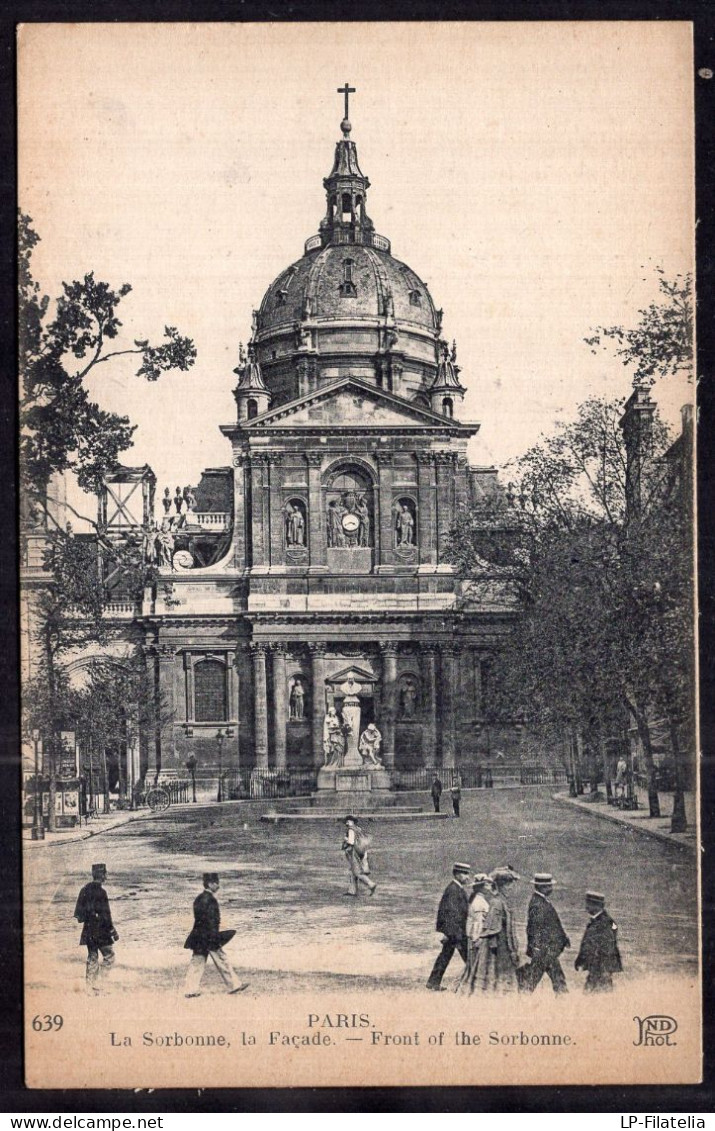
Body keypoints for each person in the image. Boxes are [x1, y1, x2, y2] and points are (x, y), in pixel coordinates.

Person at [183, 873, 248, 997]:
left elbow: (199, 920)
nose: (218, 885)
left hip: (198, 936)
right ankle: (234, 985)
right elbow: (212, 921)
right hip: (209, 937)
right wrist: (215, 937)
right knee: (222, 959)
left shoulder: (199, 898)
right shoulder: (210, 900)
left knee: (197, 962)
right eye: (216, 883)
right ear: (210, 884)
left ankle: (190, 990)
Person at [472, 866, 523, 994]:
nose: (511, 888)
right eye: (508, 885)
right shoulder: (497, 902)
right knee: (495, 971)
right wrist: (495, 946)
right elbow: (492, 927)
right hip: (498, 945)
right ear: (501, 886)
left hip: (504, 943)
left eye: (511, 884)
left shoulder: (504, 901)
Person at [73, 863, 119, 994]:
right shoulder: (102, 892)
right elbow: (106, 915)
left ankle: (89, 987)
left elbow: (78, 915)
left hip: (88, 930)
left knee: (92, 957)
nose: (106, 875)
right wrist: (113, 932)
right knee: (109, 956)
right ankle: (100, 985)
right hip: (102, 930)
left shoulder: (84, 889)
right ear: (102, 875)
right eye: (105, 873)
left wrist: (89, 917)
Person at [522, 872, 570, 994]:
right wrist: (537, 947)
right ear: (542, 887)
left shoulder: (540, 901)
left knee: (549, 977)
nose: (551, 889)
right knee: (544, 977)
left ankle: (521, 996)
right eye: (549, 886)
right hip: (544, 950)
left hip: (546, 949)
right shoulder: (538, 904)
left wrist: (563, 938)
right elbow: (534, 928)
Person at [426, 863, 472, 990]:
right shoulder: (453, 890)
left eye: (468, 873)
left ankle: (433, 982)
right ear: (457, 874)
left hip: (454, 931)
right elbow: (451, 914)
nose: (467, 877)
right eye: (464, 874)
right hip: (456, 932)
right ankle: (473, 983)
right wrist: (454, 935)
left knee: (445, 956)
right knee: (470, 958)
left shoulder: (456, 888)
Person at [574, 891, 623, 992]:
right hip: (597, 967)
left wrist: (605, 969)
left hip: (601, 967)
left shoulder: (604, 922)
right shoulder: (605, 920)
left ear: (597, 906)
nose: (586, 907)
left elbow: (609, 946)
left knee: (596, 993)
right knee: (595, 993)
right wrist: (580, 959)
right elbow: (615, 928)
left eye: (588, 904)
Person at [457, 874, 491, 994]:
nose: (490, 887)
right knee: (475, 965)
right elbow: (478, 923)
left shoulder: (476, 899)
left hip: (472, 937)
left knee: (472, 965)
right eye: (487, 885)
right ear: (481, 887)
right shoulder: (479, 902)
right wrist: (478, 939)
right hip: (476, 938)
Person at [342, 817, 376, 897]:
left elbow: (351, 842)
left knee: (356, 872)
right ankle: (352, 891)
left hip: (353, 852)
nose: (347, 822)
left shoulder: (351, 830)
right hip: (361, 851)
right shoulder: (358, 829)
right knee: (353, 872)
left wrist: (345, 839)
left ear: (352, 821)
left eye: (348, 821)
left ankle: (371, 884)